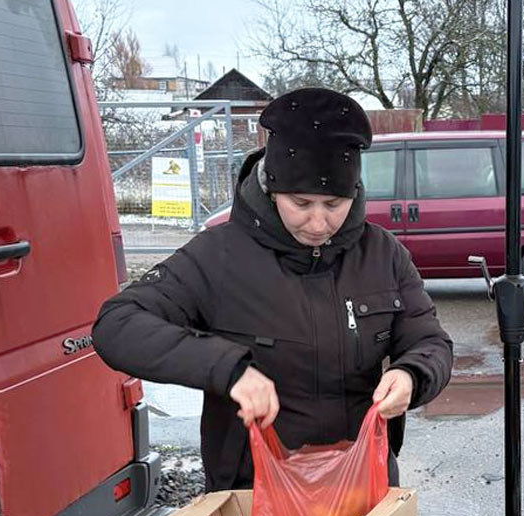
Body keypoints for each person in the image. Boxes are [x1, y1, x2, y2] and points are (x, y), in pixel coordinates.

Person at [93, 88, 453, 491]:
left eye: (334, 204)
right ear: (271, 188)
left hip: (362, 483)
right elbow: (118, 325)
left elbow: (431, 344)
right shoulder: (219, 256)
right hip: (254, 493)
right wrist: (228, 369)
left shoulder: (383, 255)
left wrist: (410, 375)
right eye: (301, 204)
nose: (319, 223)